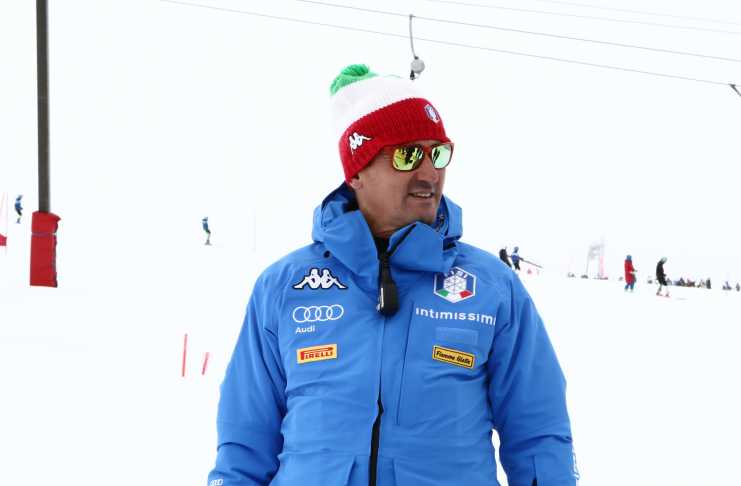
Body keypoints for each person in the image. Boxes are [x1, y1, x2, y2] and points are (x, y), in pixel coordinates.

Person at [207, 64, 577, 486]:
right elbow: (244, 440)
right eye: (407, 155)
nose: (429, 173)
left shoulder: (492, 288)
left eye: (438, 154)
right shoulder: (284, 287)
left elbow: (538, 434)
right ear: (357, 172)